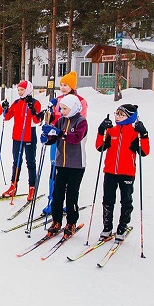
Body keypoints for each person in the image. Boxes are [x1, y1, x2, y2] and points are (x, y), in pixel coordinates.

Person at [95, 104, 149, 242]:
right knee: (108, 200)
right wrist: (101, 130)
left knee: (126, 200)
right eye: (116, 113)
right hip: (110, 172)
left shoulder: (133, 133)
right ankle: (107, 227)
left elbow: (144, 152)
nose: (117, 116)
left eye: (121, 114)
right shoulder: (112, 131)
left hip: (127, 173)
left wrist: (144, 134)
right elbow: (100, 147)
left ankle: (122, 227)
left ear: (130, 117)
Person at [41, 70, 89, 215]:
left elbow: (79, 122)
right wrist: (49, 125)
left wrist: (61, 132)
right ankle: (53, 199)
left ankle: (68, 202)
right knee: (55, 166)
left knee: (69, 170)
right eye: (61, 84)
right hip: (58, 136)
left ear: (72, 86)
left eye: (66, 85)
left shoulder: (80, 101)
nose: (62, 87)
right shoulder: (57, 100)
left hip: (71, 139)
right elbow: (54, 120)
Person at [39, 94, 87, 237]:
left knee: (71, 195)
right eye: (61, 108)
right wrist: (47, 138)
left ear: (73, 108)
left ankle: (71, 222)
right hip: (61, 163)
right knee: (57, 193)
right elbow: (54, 138)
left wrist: (59, 133)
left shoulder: (81, 122)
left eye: (65, 109)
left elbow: (76, 138)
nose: (63, 111)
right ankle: (56, 220)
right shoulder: (60, 121)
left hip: (76, 164)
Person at [0, 80, 42, 200]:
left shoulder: (35, 103)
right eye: (18, 90)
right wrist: (5, 108)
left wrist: (32, 109)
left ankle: (32, 187)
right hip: (17, 136)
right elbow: (7, 117)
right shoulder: (17, 102)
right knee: (16, 162)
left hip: (29, 135)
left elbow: (36, 121)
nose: (20, 92)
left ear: (28, 89)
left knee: (30, 162)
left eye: (22, 90)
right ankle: (13, 185)